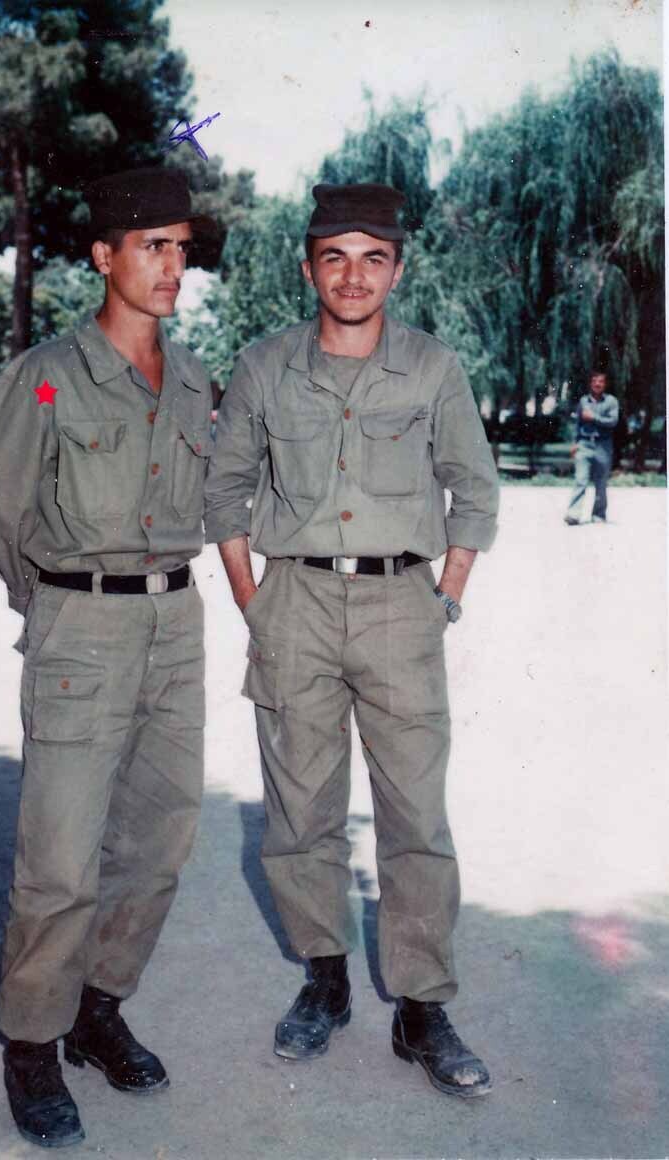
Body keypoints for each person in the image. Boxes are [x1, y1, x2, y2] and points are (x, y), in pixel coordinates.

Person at [205, 182, 500, 1098]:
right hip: (293, 603)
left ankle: (422, 1006)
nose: (354, 276)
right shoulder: (263, 366)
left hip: (401, 605)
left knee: (416, 814)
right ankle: (324, 979)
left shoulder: (433, 368)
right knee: (300, 813)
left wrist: (444, 598)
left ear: (397, 271)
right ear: (309, 269)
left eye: (374, 259)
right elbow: (224, 493)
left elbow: (475, 491)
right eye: (335, 257)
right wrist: (256, 602)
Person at [0, 167, 215, 1148]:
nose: (172, 266)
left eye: (181, 248)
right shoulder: (47, 374)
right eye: (152, 246)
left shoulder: (191, 378)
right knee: (60, 856)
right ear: (104, 256)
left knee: (158, 840)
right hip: (83, 625)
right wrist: (53, 598)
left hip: (176, 625)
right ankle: (31, 1041)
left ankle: (98, 1009)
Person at [564, 370, 619, 525]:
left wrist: (594, 417)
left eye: (600, 381)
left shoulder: (611, 401)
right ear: (590, 383)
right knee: (580, 479)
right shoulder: (583, 401)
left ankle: (599, 515)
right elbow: (578, 424)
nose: (597, 384)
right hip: (584, 444)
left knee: (601, 482)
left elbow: (613, 421)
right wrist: (574, 443)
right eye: (594, 381)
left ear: (605, 384)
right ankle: (573, 514)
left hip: (603, 445)